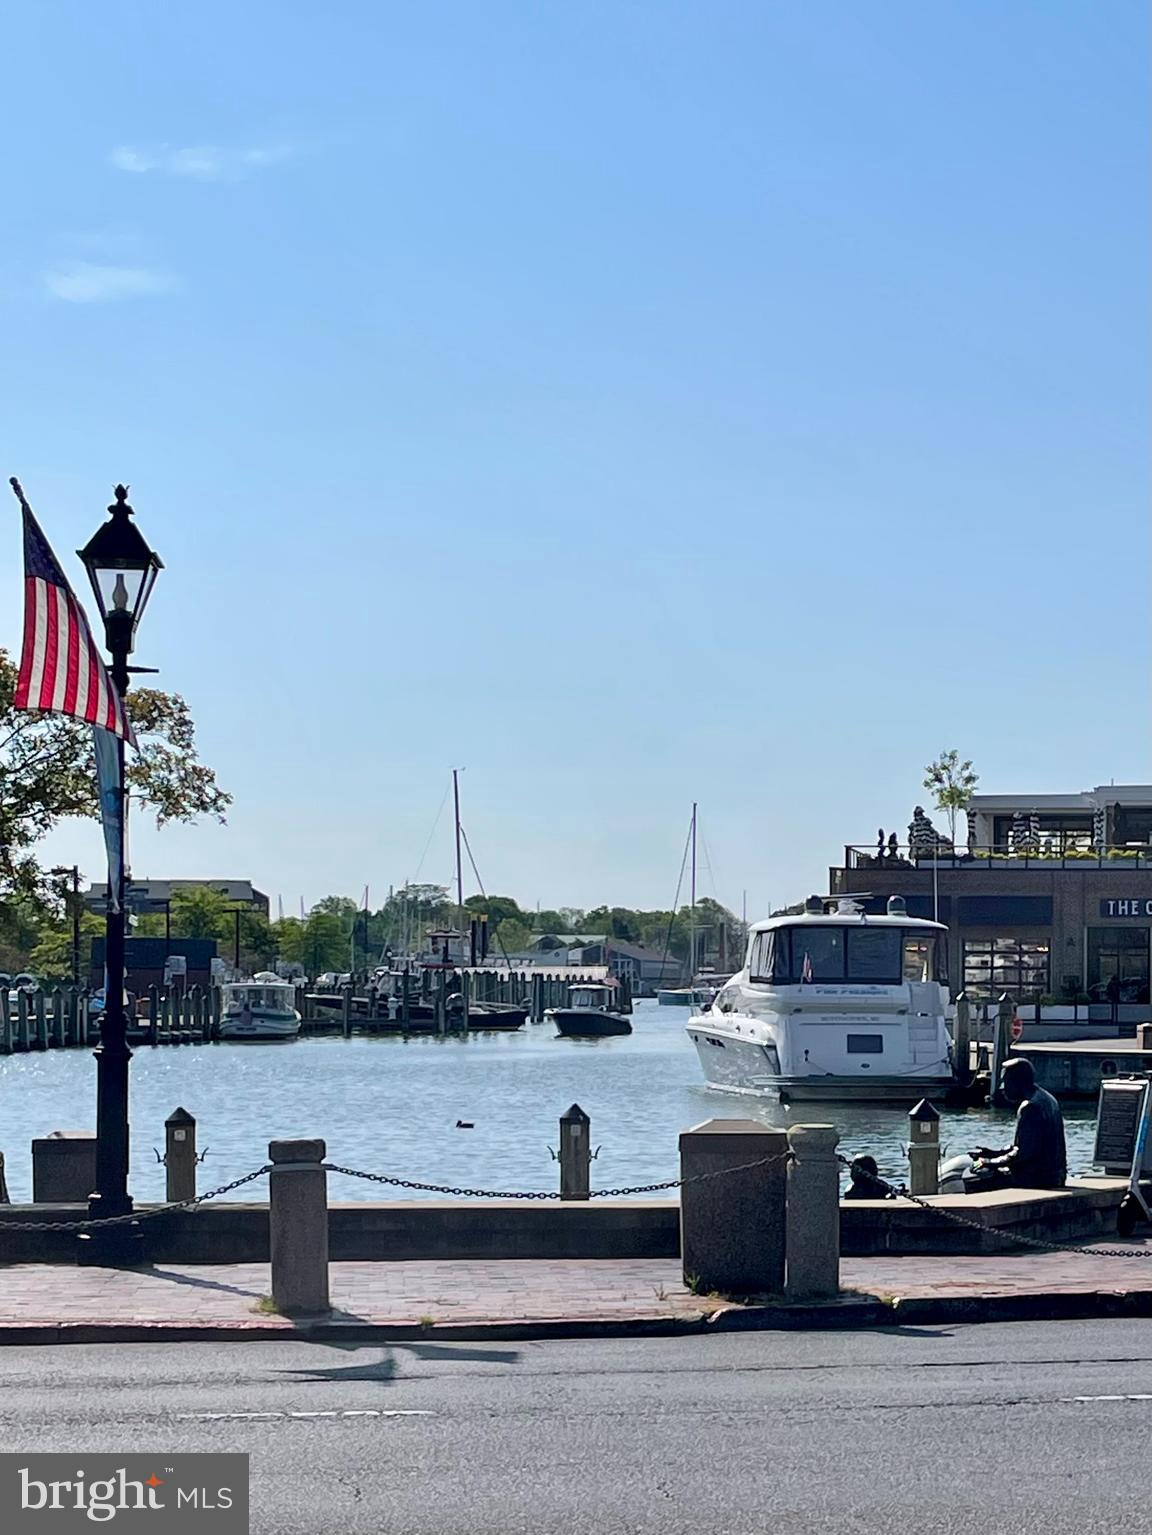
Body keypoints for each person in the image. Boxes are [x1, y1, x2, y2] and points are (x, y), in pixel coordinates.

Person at [968, 1056, 1066, 1190]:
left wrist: (988, 1162)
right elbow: (1032, 1145)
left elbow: (1023, 1154)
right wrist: (995, 1153)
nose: (1002, 1088)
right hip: (1055, 1176)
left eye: (1006, 1082)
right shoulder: (1047, 1098)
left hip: (1037, 1179)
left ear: (1018, 1082)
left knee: (974, 1183)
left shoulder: (1029, 1107)